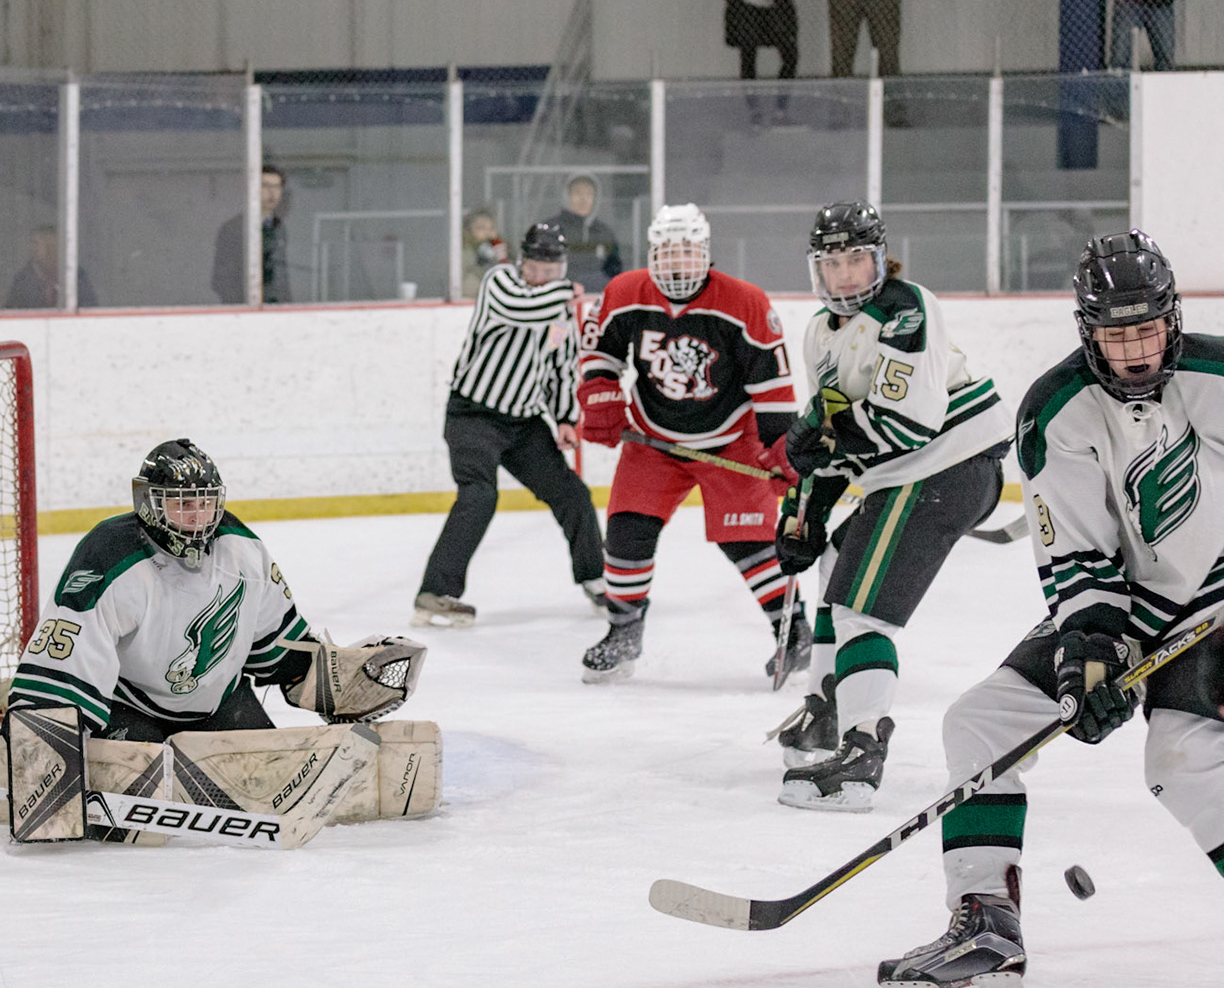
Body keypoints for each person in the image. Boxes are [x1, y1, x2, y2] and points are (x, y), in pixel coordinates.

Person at [876, 231, 1224, 988]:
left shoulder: (1219, 376)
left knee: (1183, 757)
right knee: (981, 722)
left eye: (1148, 330)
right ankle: (987, 934)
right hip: (1135, 604)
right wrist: (1092, 650)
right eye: (1115, 335)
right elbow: (1077, 552)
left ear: (1173, 319)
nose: (1135, 353)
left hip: (1219, 597)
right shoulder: (1057, 410)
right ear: (1086, 330)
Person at [766, 201, 1014, 812]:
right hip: (906, 476)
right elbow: (831, 433)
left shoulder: (907, 308)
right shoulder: (819, 333)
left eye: (856, 260)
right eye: (832, 264)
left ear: (880, 260)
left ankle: (861, 755)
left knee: (861, 612)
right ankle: (828, 708)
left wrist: (819, 437)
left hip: (946, 466)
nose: (844, 275)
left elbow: (905, 425)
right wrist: (806, 511)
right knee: (835, 561)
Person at [9, 439, 415, 742]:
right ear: (149, 502)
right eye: (182, 505)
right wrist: (45, 738)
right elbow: (68, 660)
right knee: (136, 799)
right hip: (129, 709)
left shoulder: (240, 548)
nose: (197, 518)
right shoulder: (110, 554)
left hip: (220, 705)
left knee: (268, 781)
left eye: (205, 504)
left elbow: (276, 642)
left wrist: (323, 679)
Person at [575, 203, 806, 682]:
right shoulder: (625, 291)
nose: (677, 261)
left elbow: (771, 384)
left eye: (686, 250)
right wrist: (600, 392)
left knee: (748, 541)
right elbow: (600, 350)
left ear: (704, 253)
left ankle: (795, 631)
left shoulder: (744, 301)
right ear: (652, 254)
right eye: (667, 251)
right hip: (654, 439)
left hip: (731, 439)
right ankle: (623, 630)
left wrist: (781, 445)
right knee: (626, 531)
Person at [415, 223, 607, 628]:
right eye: (534, 268)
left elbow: (558, 366)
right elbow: (523, 308)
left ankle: (597, 580)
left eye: (549, 271)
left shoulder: (560, 314)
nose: (540, 277)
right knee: (480, 495)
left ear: (561, 268)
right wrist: (565, 290)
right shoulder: (500, 283)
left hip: (523, 424)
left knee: (573, 495)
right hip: (473, 415)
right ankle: (436, 592)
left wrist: (565, 418)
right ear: (522, 262)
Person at [211, 165, 290, 304]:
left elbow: (281, 276)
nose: (272, 192)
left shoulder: (279, 227)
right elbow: (222, 279)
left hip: (276, 309)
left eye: (277, 187)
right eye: (265, 186)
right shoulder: (234, 228)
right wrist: (243, 308)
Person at [539, 174, 623, 294]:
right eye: (577, 193)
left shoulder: (604, 232)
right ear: (566, 196)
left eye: (589, 194)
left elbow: (614, 270)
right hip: (557, 296)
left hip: (597, 298)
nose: (583, 199)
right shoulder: (549, 229)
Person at [5, 225, 97, 309]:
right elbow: (11, 311)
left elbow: (89, 309)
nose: (32, 248)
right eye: (32, 243)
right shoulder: (23, 279)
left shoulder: (75, 275)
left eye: (36, 243)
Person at [461, 209, 508, 299]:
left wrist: (503, 261)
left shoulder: (504, 251)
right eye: (481, 228)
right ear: (469, 230)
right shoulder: (464, 253)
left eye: (491, 228)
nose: (487, 233)